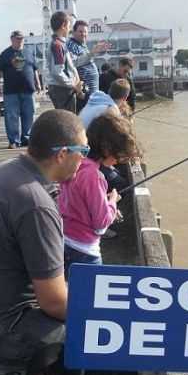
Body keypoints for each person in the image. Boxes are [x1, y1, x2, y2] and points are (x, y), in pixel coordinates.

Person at [0, 109, 87, 363]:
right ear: (62, 154)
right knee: (99, 338)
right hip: (0, 329)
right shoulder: (36, 205)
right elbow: (53, 302)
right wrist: (105, 318)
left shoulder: (8, 169)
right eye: (83, 151)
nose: (84, 159)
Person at [58, 113, 141, 274]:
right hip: (84, 251)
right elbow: (101, 223)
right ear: (106, 147)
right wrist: (112, 202)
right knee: (90, 295)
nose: (119, 160)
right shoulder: (94, 176)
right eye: (119, 154)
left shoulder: (77, 163)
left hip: (64, 240)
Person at [0, 30, 42, 148]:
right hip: (11, 91)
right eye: (17, 39)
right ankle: (13, 140)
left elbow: (34, 69)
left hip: (28, 90)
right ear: (12, 40)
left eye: (21, 39)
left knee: (29, 115)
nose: (20, 41)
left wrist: (38, 83)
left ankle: (26, 138)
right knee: (11, 116)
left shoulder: (28, 53)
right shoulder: (5, 54)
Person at [66, 20, 110, 113]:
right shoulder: (71, 45)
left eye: (85, 32)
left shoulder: (82, 45)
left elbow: (87, 60)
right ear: (73, 32)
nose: (84, 34)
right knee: (83, 119)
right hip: (83, 92)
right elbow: (73, 64)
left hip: (91, 91)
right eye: (80, 31)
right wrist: (92, 52)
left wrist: (97, 51)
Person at [46, 11, 83, 113]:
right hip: (62, 91)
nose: (69, 29)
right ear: (63, 26)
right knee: (67, 123)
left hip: (61, 89)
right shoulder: (58, 45)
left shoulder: (57, 43)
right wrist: (73, 85)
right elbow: (57, 72)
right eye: (68, 26)